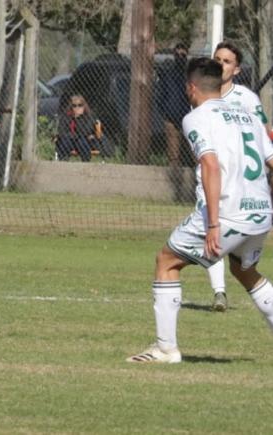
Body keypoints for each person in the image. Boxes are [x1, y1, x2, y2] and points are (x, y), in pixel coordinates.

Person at [127, 57, 273, 363]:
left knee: (167, 260)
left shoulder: (196, 117)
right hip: (260, 212)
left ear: (191, 88)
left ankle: (166, 349)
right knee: (244, 270)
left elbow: (209, 165)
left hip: (228, 212)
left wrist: (214, 225)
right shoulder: (248, 115)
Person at [205, 41, 271, 312]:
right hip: (211, 179)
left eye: (226, 61)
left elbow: (264, 135)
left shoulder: (246, 99)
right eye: (217, 59)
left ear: (237, 69)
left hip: (243, 186)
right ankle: (219, 292)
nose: (220, 64)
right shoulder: (204, 93)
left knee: (244, 266)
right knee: (206, 237)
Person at [158, 43, 192, 168]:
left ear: (187, 55)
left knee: (193, 147)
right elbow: (161, 94)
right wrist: (164, 111)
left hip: (188, 115)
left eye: (182, 55)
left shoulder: (190, 75)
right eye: (177, 54)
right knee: (173, 153)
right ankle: (174, 171)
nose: (180, 57)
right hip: (171, 115)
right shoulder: (168, 74)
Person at [56, 94, 103, 162]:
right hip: (69, 140)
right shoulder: (66, 117)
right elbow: (62, 131)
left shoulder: (88, 117)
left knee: (81, 141)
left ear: (84, 106)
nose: (77, 107)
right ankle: (63, 163)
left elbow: (85, 132)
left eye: (80, 105)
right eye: (74, 105)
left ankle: (85, 162)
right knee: (66, 141)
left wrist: (78, 119)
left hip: (83, 140)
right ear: (71, 107)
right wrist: (74, 135)